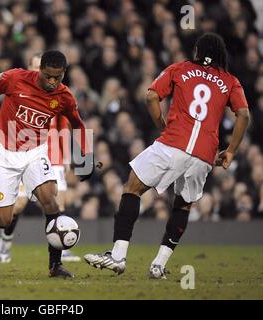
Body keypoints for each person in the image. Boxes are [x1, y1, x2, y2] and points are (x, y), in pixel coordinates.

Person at [84, 32, 250, 279]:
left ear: (197, 51)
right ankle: (158, 265)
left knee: (132, 187)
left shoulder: (180, 68)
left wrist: (162, 124)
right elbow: (244, 115)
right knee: (183, 205)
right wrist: (231, 151)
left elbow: (151, 95)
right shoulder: (230, 81)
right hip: (204, 155)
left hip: (173, 142)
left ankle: (118, 256)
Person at [0, 50, 93, 278]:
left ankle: (55, 266)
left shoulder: (64, 96)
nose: (52, 82)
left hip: (35, 152)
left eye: (58, 77)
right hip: (4, 153)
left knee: (51, 203)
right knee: (3, 221)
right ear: (40, 69)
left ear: (63, 75)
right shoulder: (15, 78)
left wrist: (86, 157)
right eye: (48, 76)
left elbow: (78, 124)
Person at [0, 54, 81, 264]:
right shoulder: (23, 88)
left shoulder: (59, 94)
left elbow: (64, 127)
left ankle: (59, 252)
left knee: (56, 203)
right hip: (24, 152)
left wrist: (67, 160)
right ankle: (5, 241)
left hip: (53, 155)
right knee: (19, 205)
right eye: (34, 67)